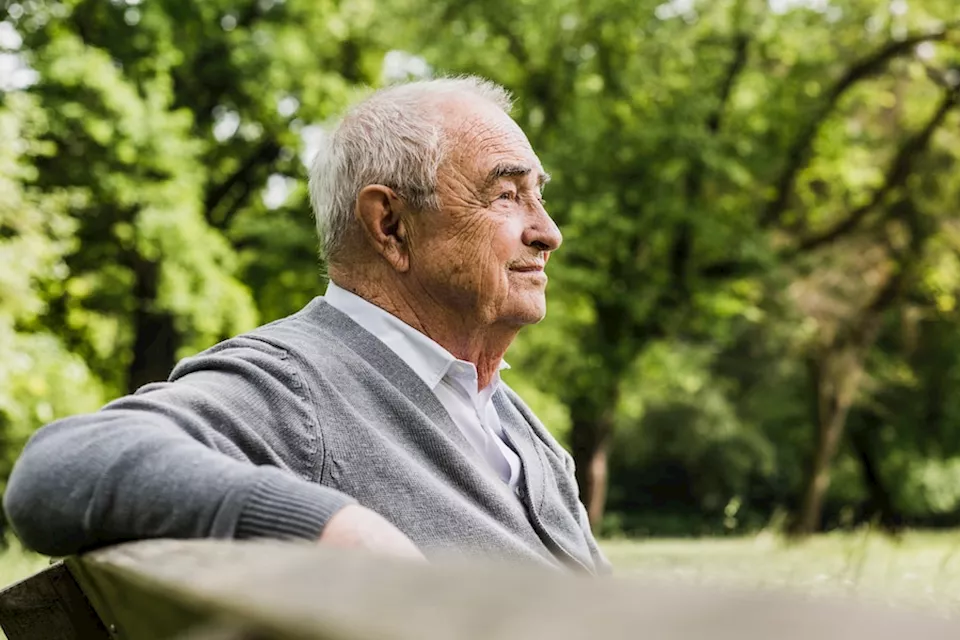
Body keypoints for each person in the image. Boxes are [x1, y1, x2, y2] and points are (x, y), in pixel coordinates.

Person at [3, 76, 609, 574]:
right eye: (506, 195)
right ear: (391, 226)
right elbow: (61, 468)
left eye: (539, 196)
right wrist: (327, 526)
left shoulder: (507, 418)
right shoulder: (301, 387)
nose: (547, 232)